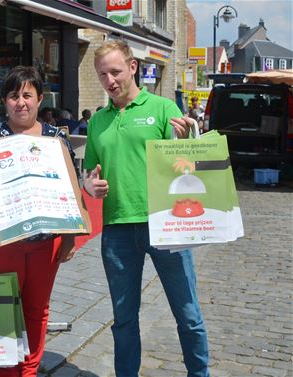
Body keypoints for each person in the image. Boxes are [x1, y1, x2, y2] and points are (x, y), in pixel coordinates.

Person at [83, 40, 209, 377]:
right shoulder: (97, 123)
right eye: (102, 75)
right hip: (118, 228)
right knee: (124, 320)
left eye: (115, 71)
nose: (109, 80)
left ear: (133, 67)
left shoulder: (164, 108)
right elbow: (89, 173)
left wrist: (186, 143)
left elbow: (189, 166)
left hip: (166, 223)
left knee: (188, 315)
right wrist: (88, 186)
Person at [0, 65, 77, 376]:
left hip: (45, 244)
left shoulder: (56, 139)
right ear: (4, 101)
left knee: (36, 309)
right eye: (13, 96)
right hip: (5, 243)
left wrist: (69, 238)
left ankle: (28, 371)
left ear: (40, 99)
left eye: (27, 95)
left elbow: (70, 189)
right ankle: (5, 371)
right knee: (3, 309)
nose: (21, 103)